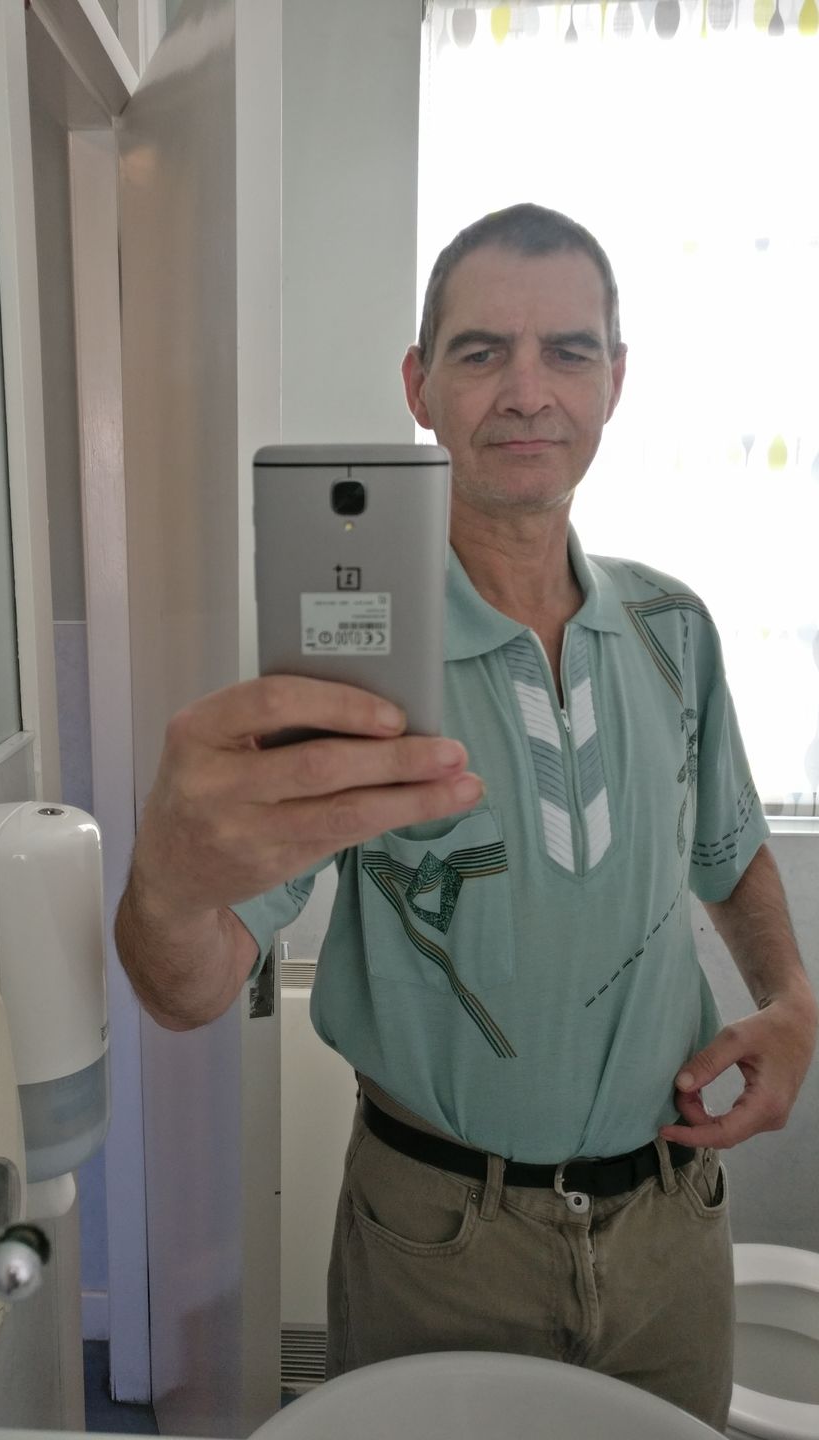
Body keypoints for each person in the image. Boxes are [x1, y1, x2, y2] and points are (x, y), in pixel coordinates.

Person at [114, 203, 817, 1430]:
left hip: (673, 1224)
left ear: (615, 382)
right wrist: (165, 886)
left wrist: (794, 1000)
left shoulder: (674, 630)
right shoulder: (346, 676)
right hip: (437, 1242)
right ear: (420, 387)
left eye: (569, 353)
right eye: (483, 352)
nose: (528, 391)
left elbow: (728, 844)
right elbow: (189, 987)